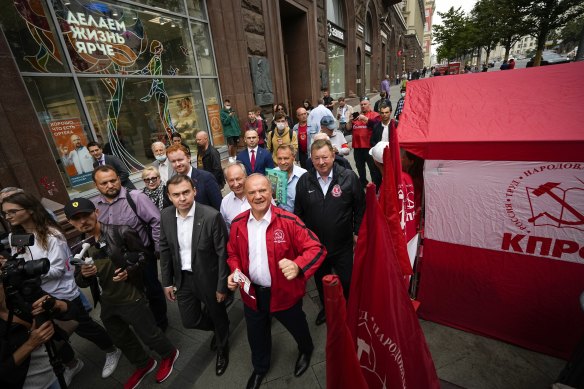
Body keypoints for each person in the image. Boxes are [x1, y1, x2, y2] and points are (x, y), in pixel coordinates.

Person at [2, 192, 122, 383]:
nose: (8, 217)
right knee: (51, 335)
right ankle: (72, 363)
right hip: (35, 296)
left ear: (30, 210)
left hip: (63, 294)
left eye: (12, 211)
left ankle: (112, 349)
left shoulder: (51, 235)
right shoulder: (14, 237)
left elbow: (58, 269)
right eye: (5, 213)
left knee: (85, 327)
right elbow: (19, 262)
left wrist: (26, 272)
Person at [66, 198, 179, 389]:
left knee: (149, 334)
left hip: (130, 295)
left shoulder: (120, 230)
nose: (82, 221)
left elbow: (144, 257)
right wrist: (85, 276)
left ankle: (169, 354)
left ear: (96, 212)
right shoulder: (79, 247)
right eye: (76, 219)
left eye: (86, 215)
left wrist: (129, 270)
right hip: (107, 300)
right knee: (120, 337)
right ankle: (144, 363)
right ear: (70, 222)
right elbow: (78, 279)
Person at [226, 174, 326, 389]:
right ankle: (260, 368)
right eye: (252, 192)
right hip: (251, 294)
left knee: (298, 327)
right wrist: (234, 271)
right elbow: (232, 253)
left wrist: (298, 265)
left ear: (271, 192)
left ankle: (306, 350)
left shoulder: (288, 221)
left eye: (262, 190)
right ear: (245, 195)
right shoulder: (237, 224)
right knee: (256, 335)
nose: (258, 196)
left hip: (284, 293)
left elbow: (316, 248)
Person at [160, 174, 230, 376]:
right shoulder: (165, 215)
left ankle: (222, 346)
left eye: (185, 192)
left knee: (217, 313)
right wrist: (166, 282)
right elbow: (164, 249)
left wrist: (221, 286)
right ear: (169, 196)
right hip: (183, 279)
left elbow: (222, 254)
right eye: (176, 194)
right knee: (189, 320)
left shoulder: (210, 216)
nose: (182, 198)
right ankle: (219, 329)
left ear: (194, 192)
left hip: (208, 278)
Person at [294, 139, 364, 326]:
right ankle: (327, 309)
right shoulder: (304, 181)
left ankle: (350, 309)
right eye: (316, 158)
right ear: (311, 159)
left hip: (343, 245)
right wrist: (302, 240)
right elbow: (298, 215)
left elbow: (360, 208)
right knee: (321, 282)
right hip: (316, 247)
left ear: (333, 156)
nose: (321, 162)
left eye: (325, 157)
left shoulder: (349, 177)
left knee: (347, 281)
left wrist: (357, 231)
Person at [92, 166, 169, 332]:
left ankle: (161, 322)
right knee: (130, 291)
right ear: (96, 185)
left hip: (141, 255)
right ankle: (141, 320)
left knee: (152, 288)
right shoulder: (95, 206)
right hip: (115, 259)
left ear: (119, 179)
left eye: (113, 180)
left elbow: (157, 221)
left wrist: (157, 248)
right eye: (104, 183)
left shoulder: (135, 197)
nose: (110, 185)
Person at [0, 284, 75, 389]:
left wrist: (56, 305)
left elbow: (70, 309)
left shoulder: (17, 296)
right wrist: (31, 344)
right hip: (32, 384)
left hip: (52, 369)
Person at [167, 144, 222, 211]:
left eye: (180, 160)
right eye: (173, 161)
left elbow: (218, 206)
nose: (177, 164)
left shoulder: (206, 178)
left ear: (189, 158)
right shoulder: (172, 183)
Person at [351, 97, 382, 189]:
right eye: (361, 104)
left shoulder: (375, 115)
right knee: (360, 168)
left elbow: (378, 125)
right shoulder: (357, 116)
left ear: (369, 105)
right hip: (357, 147)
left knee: (373, 169)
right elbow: (348, 129)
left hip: (369, 147)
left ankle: (376, 185)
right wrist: (349, 120)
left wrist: (366, 119)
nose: (363, 106)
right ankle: (363, 183)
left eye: (365, 104)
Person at [274, 145, 307, 212]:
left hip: (298, 218)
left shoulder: (303, 175)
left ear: (293, 158)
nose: (282, 162)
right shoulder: (273, 174)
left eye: (286, 158)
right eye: (279, 159)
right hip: (279, 218)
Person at [220, 162, 251, 231]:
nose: (236, 184)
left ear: (246, 177)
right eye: (231, 180)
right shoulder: (225, 202)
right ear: (227, 181)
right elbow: (225, 228)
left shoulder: (259, 196)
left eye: (238, 179)